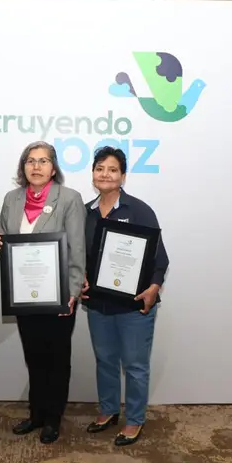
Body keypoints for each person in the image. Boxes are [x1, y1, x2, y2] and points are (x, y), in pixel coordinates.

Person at [0, 141, 86, 444]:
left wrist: (72, 293)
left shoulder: (70, 199)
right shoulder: (11, 199)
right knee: (34, 356)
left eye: (43, 161)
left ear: (54, 167)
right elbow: (4, 238)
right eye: (30, 161)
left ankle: (53, 419)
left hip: (58, 296)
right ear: (23, 167)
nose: (36, 166)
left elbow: (77, 250)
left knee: (57, 358)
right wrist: (0, 244)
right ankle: (35, 415)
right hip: (25, 295)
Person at [80, 146, 169, 446]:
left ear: (123, 176)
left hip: (133, 307)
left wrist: (153, 289)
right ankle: (107, 411)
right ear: (93, 173)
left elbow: (161, 259)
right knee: (104, 360)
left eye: (113, 169)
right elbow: (79, 257)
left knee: (134, 365)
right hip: (99, 305)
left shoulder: (139, 210)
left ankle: (134, 420)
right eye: (100, 168)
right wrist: (80, 279)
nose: (105, 174)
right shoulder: (85, 212)